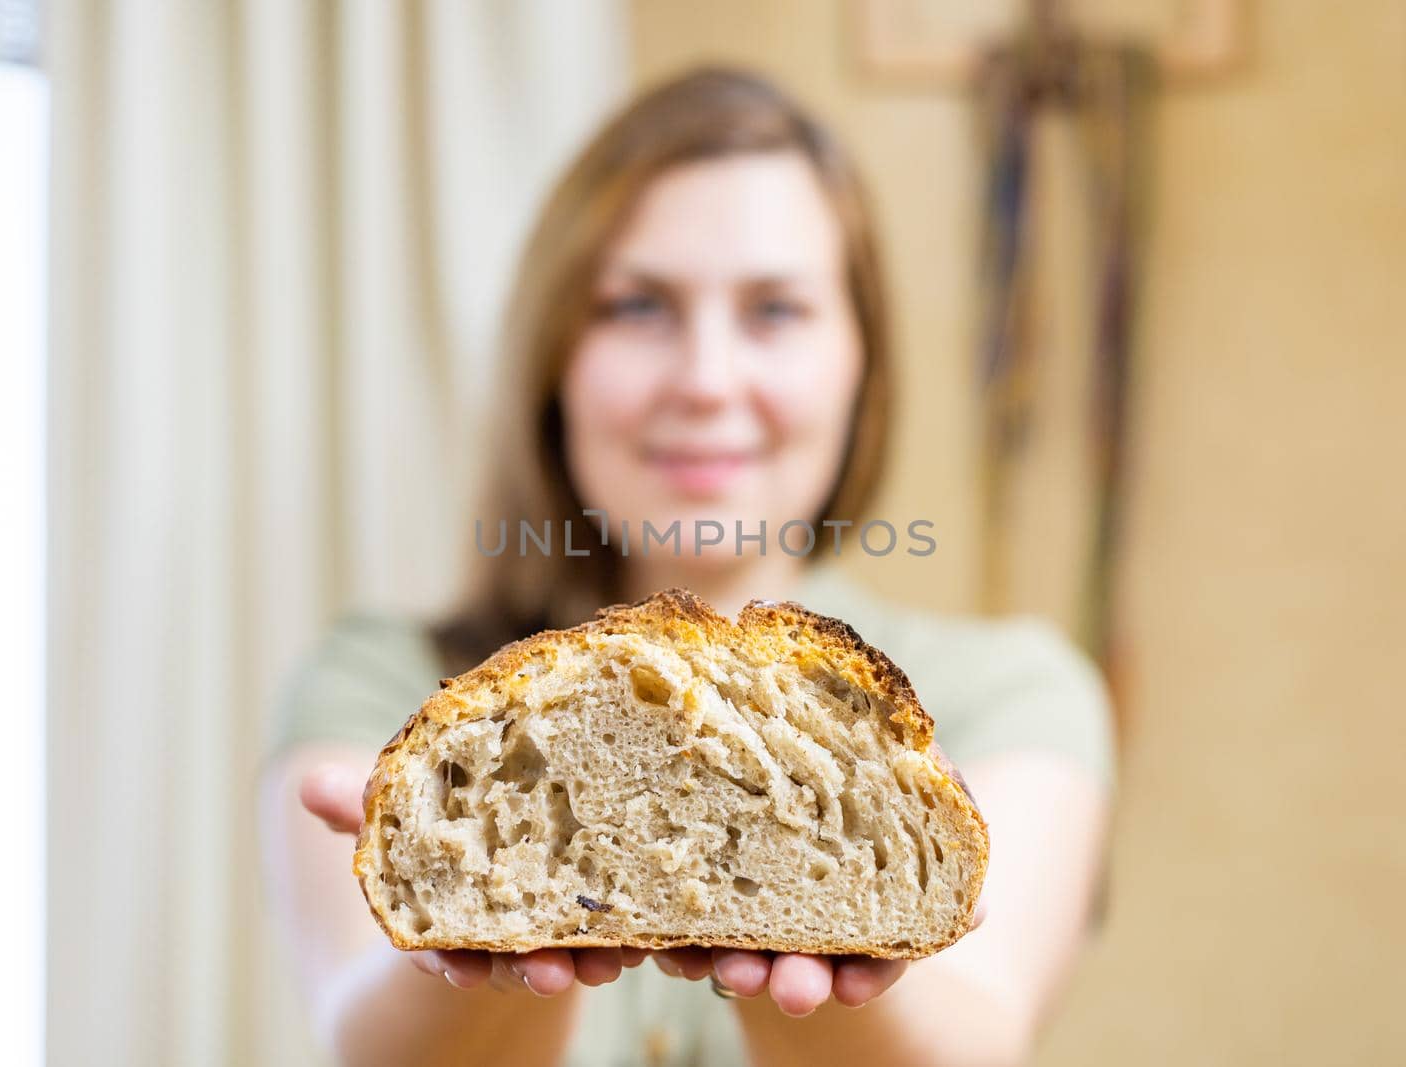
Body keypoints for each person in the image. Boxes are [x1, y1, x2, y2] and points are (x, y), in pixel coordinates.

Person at [260, 67, 1114, 1067]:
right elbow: (370, 1040)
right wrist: (485, 914)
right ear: (554, 361)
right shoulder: (388, 693)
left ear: (859, 364)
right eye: (636, 306)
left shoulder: (1006, 693)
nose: (706, 379)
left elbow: (974, 1032)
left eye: (776, 310)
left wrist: (806, 888)